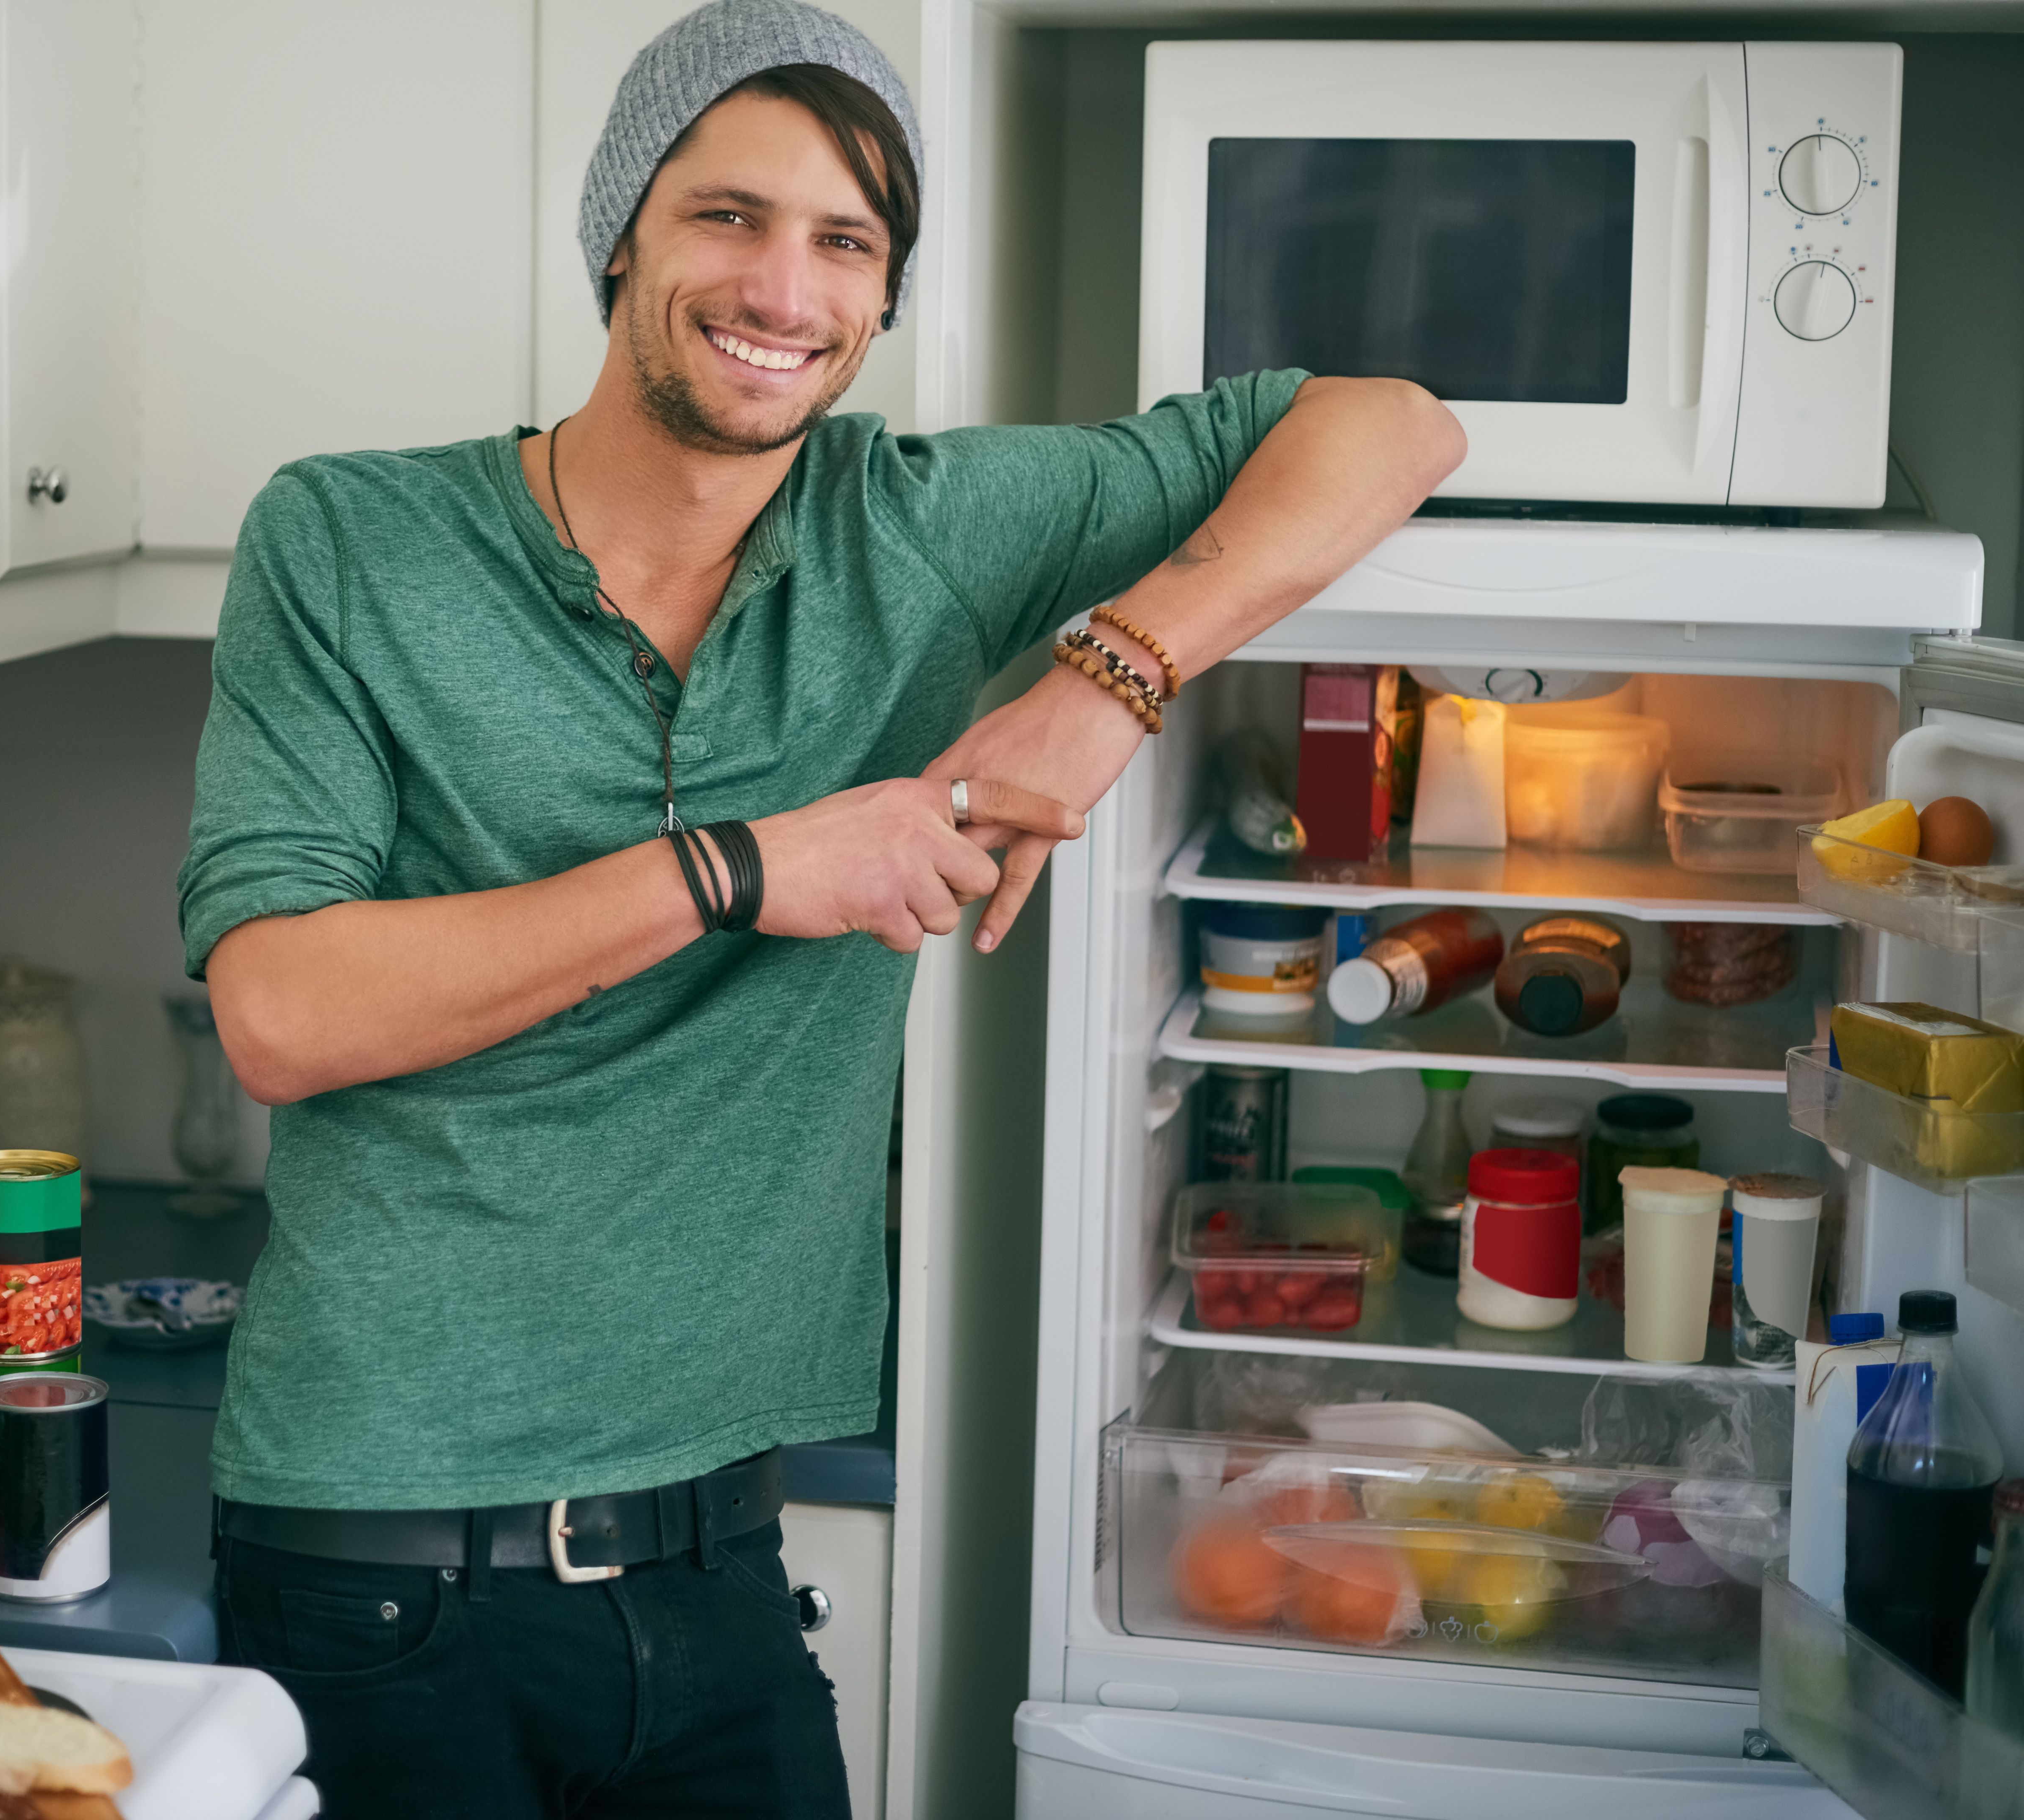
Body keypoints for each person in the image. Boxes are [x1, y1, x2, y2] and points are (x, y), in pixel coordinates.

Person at [178, 0, 1464, 1812]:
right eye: (728, 216)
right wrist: (748, 866)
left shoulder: (920, 527)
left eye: (845, 243)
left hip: (715, 1569)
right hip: (375, 1570)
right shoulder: (348, 540)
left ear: (879, 296)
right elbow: (282, 1016)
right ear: (622, 231)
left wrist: (1105, 681)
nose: (783, 285)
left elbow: (1388, 422)